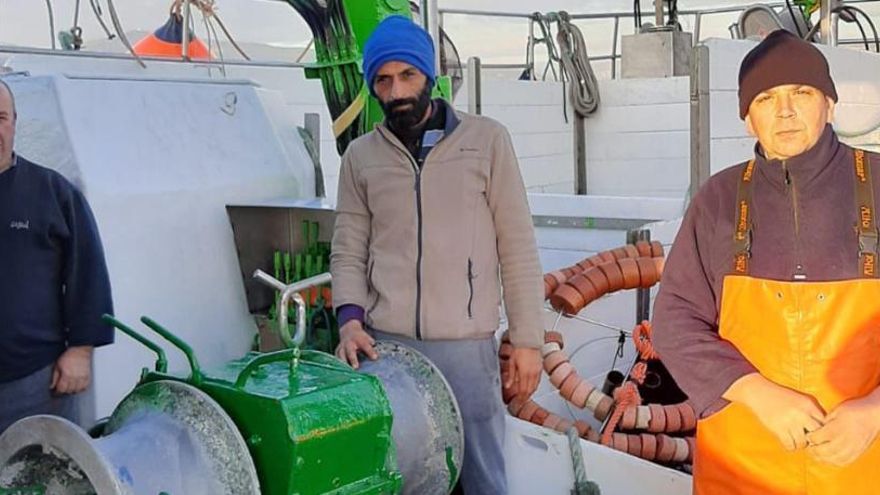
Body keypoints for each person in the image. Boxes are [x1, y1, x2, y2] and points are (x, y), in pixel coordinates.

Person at [653, 30, 880, 494]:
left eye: (802, 92)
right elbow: (674, 322)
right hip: (740, 470)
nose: (785, 110)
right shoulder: (717, 199)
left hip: (865, 466)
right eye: (765, 98)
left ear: (830, 104)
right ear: (746, 119)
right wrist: (758, 393)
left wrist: (874, 411)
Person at [330, 16, 544, 494]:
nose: (397, 90)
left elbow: (517, 245)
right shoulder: (360, 158)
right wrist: (349, 320)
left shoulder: (487, 141)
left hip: (466, 346)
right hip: (386, 348)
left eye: (408, 75)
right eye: (383, 80)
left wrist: (529, 339)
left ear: (429, 76)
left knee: (481, 473)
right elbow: (347, 247)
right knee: (402, 472)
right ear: (373, 88)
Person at [0, 79, 114, 435]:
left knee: (50, 481)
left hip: (37, 383)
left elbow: (88, 272)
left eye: (0, 117)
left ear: (15, 123)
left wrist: (81, 350)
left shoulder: (53, 192)